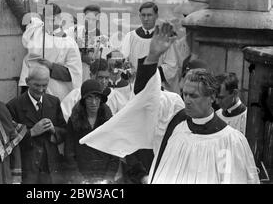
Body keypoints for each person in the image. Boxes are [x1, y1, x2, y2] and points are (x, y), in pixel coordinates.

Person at [81, 23, 260, 184]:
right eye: (185, 94)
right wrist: (152, 57)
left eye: (194, 96)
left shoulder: (228, 140)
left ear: (211, 98)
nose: (187, 100)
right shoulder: (174, 118)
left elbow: (232, 179)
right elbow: (146, 97)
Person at [0, 0, 82, 101]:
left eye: (53, 18)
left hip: (56, 93)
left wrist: (51, 66)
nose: (50, 21)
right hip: (30, 87)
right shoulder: (35, 28)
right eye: (47, 18)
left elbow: (73, 74)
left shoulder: (69, 43)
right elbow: (19, 10)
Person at [6, 65, 67, 184]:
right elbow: (9, 142)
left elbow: (65, 131)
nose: (40, 89)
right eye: (36, 85)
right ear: (27, 82)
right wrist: (31, 132)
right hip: (28, 171)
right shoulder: (13, 106)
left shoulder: (54, 102)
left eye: (44, 85)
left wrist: (54, 130)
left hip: (52, 169)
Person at [64, 79, 119, 183]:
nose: (94, 102)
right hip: (81, 177)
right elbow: (69, 152)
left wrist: (109, 178)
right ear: (83, 100)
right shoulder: (74, 121)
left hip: (104, 178)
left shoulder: (109, 121)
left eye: (97, 97)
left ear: (101, 99)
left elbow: (114, 153)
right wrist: (78, 179)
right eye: (89, 97)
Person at [120, 2, 177, 92]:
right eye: (143, 15)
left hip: (156, 87)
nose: (146, 19)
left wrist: (148, 74)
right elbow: (123, 61)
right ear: (139, 16)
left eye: (149, 15)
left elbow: (171, 66)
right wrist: (127, 70)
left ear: (156, 16)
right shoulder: (130, 37)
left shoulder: (164, 38)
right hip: (134, 86)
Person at [61, 59, 130, 122]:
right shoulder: (75, 95)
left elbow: (124, 120)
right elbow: (64, 117)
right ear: (91, 75)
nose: (103, 81)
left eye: (106, 78)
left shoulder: (116, 98)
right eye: (100, 77)